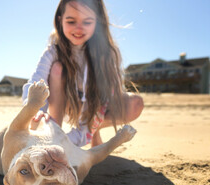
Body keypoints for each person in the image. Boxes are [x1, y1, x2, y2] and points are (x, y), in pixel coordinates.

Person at [22, 0, 144, 147]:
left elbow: (104, 99)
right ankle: (54, 130)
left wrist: (69, 142)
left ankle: (93, 131)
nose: (78, 29)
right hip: (68, 103)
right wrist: (34, 110)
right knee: (56, 69)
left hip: (99, 104)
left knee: (135, 104)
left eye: (87, 22)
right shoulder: (54, 50)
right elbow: (36, 80)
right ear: (60, 20)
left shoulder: (107, 55)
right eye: (71, 21)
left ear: (97, 22)